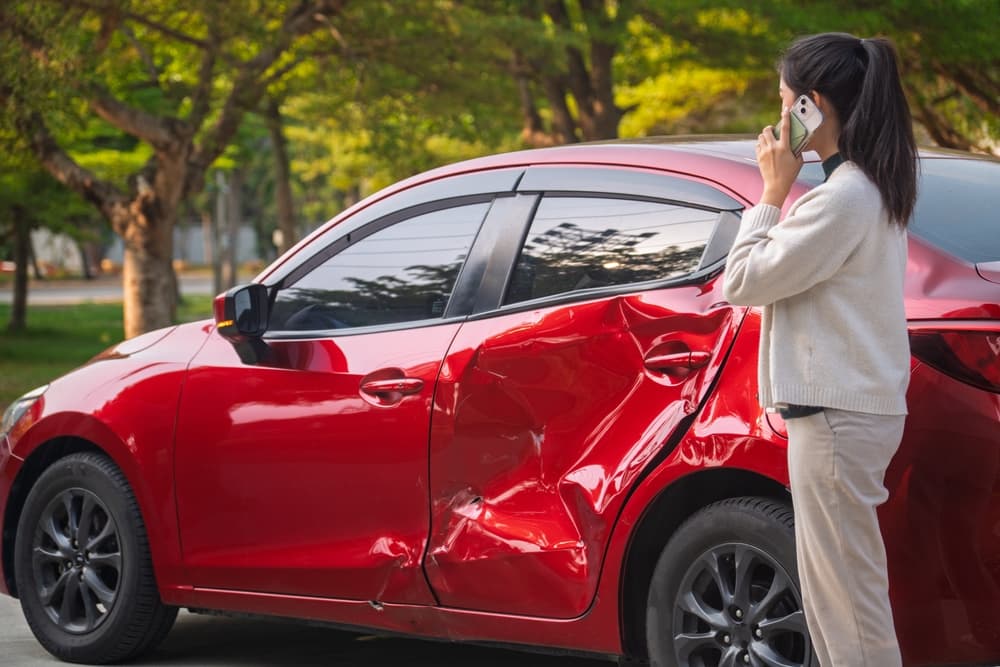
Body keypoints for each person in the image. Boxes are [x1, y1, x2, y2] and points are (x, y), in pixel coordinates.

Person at [722, 33, 918, 667]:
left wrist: (771, 193)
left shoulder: (843, 198)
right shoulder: (864, 189)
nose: (778, 119)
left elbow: (741, 281)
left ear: (812, 107)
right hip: (849, 415)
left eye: (785, 102)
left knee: (848, 604)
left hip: (837, 420)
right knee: (838, 595)